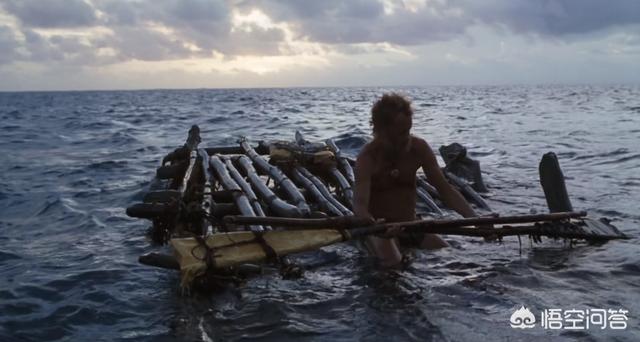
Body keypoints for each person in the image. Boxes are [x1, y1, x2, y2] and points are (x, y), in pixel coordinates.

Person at [353, 93, 482, 267]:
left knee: (450, 256)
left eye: (408, 130)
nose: (406, 137)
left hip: (411, 225)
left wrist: (475, 221)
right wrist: (376, 227)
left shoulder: (419, 148)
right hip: (379, 231)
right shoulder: (367, 158)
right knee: (393, 264)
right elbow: (360, 206)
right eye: (400, 133)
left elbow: (445, 190)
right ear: (382, 130)